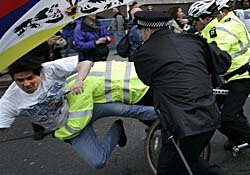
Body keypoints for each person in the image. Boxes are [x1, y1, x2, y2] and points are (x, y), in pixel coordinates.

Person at [0, 53, 157, 169]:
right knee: (98, 161)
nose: (26, 84)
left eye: (30, 78)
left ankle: (166, 115)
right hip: (68, 128)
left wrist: (79, 80)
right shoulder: (9, 101)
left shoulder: (49, 69)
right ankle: (117, 129)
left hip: (80, 107)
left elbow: (86, 62)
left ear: (39, 73)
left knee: (127, 109)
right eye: (20, 80)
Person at [134, 10, 230, 175]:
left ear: (147, 31)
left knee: (168, 169)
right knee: (189, 162)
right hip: (209, 115)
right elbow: (223, 61)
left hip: (182, 125)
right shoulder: (193, 40)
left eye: (141, 32)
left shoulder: (145, 52)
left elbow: (147, 81)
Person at [189, 0, 250, 150]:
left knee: (228, 117)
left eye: (194, 20)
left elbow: (216, 62)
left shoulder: (216, 33)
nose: (192, 24)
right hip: (232, 77)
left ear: (205, 19)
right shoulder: (210, 31)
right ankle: (237, 138)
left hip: (242, 77)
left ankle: (243, 137)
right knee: (218, 113)